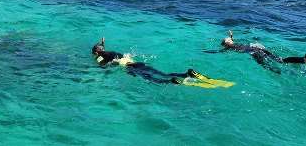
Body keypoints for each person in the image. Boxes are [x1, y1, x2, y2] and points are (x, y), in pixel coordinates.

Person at [92, 38, 233, 87]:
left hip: (130, 68)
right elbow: (103, 50)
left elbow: (103, 65)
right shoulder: (111, 51)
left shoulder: (103, 56)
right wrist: (102, 43)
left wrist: (100, 65)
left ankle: (172, 81)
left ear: (97, 52)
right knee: (162, 73)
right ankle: (187, 73)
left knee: (153, 80)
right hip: (138, 63)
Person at [218, 30, 306, 73]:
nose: (230, 40)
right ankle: (303, 60)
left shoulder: (230, 46)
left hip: (254, 52)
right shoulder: (230, 44)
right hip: (258, 48)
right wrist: (230, 36)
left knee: (266, 66)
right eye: (229, 39)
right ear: (227, 42)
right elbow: (230, 41)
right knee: (280, 60)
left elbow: (228, 43)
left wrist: (230, 36)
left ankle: (280, 72)